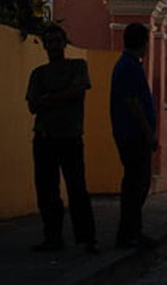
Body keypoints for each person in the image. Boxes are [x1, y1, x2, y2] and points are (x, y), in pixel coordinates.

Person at [25, 24, 99, 254]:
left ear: (64, 43)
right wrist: (62, 96)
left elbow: (77, 92)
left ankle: (86, 239)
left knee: (77, 190)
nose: (54, 46)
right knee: (47, 191)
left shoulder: (78, 66)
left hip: (70, 137)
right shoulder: (38, 73)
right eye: (50, 42)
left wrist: (47, 98)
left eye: (57, 41)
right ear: (45, 45)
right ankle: (53, 237)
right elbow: (32, 105)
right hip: (44, 137)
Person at [110, 22, 157, 249]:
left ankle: (131, 230)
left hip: (130, 133)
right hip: (133, 134)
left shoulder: (128, 65)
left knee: (136, 183)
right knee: (137, 184)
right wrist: (147, 132)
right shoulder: (129, 67)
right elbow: (133, 102)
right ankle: (129, 232)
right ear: (144, 43)